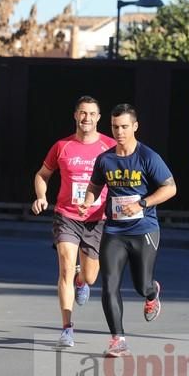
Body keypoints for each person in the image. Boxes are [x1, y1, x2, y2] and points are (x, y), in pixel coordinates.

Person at [78, 103, 177, 357]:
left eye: (124, 127)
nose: (119, 132)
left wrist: (142, 203)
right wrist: (88, 203)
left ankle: (152, 292)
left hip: (144, 230)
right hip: (114, 231)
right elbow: (94, 186)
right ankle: (117, 339)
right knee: (109, 284)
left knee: (140, 285)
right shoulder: (105, 159)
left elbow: (170, 188)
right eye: (114, 127)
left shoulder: (147, 157)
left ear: (135, 127)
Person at [31, 95, 115, 348]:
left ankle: (82, 281)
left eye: (91, 113)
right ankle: (67, 328)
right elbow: (42, 174)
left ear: (98, 118)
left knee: (90, 277)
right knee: (65, 267)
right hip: (66, 215)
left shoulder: (110, 148)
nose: (86, 118)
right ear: (75, 116)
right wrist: (41, 197)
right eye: (82, 112)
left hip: (97, 219)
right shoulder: (62, 146)